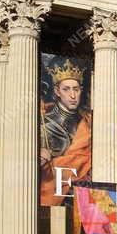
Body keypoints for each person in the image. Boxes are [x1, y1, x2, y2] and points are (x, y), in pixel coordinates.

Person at [39, 57, 92, 206]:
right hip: (50, 198)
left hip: (86, 199)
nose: (73, 96)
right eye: (66, 89)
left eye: (76, 89)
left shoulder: (90, 124)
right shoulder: (43, 124)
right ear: (57, 91)